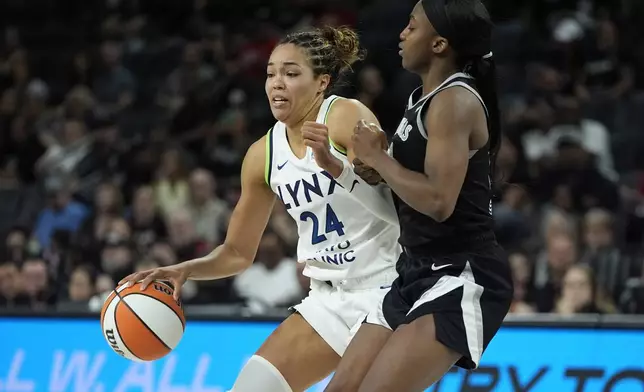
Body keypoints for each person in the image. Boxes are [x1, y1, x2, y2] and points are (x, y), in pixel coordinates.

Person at [120, 26, 401, 392]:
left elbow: (399, 207)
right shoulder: (261, 155)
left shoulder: (345, 116)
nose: (276, 84)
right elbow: (237, 252)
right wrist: (184, 269)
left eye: (291, 73)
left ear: (322, 83)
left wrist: (337, 166)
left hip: (388, 286)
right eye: (271, 74)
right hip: (329, 297)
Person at [324, 1, 514, 391]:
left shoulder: (455, 101)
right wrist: (372, 170)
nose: (402, 34)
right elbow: (409, 188)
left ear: (439, 44)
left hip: (461, 272)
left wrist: (379, 156)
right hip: (414, 271)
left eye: (412, 27)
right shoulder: (420, 100)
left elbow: (439, 203)